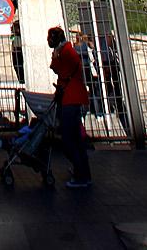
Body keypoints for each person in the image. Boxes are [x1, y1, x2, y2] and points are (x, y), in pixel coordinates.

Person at [48, 24, 91, 187]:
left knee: (68, 140)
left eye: (49, 38)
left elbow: (57, 69)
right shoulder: (65, 50)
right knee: (76, 140)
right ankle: (84, 173)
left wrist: (55, 56)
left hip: (70, 98)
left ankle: (81, 174)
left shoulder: (66, 51)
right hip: (71, 97)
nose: (48, 41)